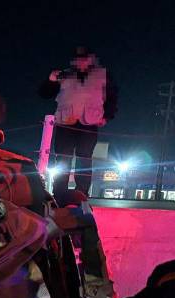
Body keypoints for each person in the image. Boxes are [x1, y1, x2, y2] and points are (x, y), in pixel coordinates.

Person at [39, 46, 118, 198]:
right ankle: (59, 192)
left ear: (91, 59)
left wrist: (107, 116)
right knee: (62, 159)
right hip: (65, 123)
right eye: (77, 59)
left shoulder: (103, 76)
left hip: (89, 124)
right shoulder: (63, 75)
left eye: (84, 58)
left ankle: (82, 193)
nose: (81, 61)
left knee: (85, 159)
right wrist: (50, 80)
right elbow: (44, 93)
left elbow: (112, 98)